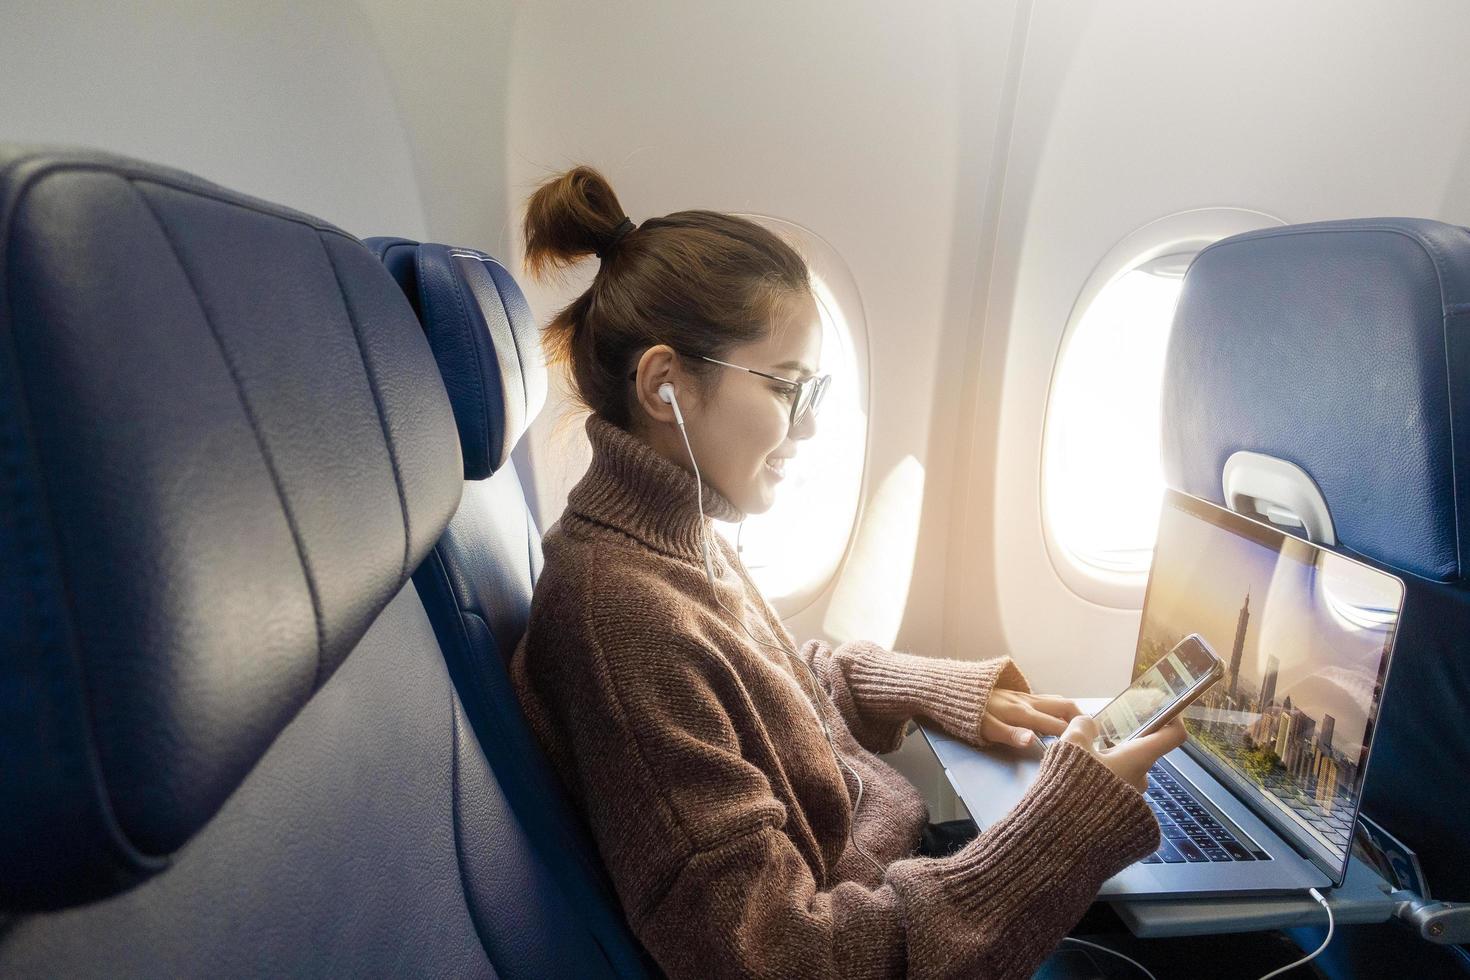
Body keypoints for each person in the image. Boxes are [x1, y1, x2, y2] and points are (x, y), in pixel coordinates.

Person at [509, 165, 1187, 980]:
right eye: (790, 387)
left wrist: (926, 688)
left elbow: (776, 699)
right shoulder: (621, 618)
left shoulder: (676, 539)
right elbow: (788, 958)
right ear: (665, 385)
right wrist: (1064, 822)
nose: (815, 423)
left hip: (893, 897)